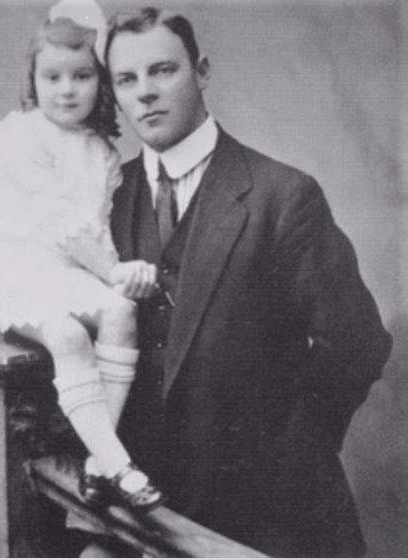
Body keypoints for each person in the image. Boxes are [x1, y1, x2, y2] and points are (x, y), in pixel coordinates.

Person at [98, 7, 393, 556]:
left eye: (163, 70)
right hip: (147, 518)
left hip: (275, 520)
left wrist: (286, 460)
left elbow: (358, 345)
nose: (145, 93)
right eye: (126, 79)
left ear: (202, 71)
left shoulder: (282, 196)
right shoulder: (108, 199)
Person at [0, 0, 163, 511]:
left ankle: (101, 461)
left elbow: (95, 229)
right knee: (69, 334)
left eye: (81, 76)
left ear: (101, 83)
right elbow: (57, 222)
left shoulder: (101, 151)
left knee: (120, 310)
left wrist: (119, 272)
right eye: (52, 77)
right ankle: (121, 466)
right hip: (13, 263)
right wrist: (113, 270)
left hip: (68, 269)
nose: (67, 89)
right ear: (33, 81)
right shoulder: (22, 134)